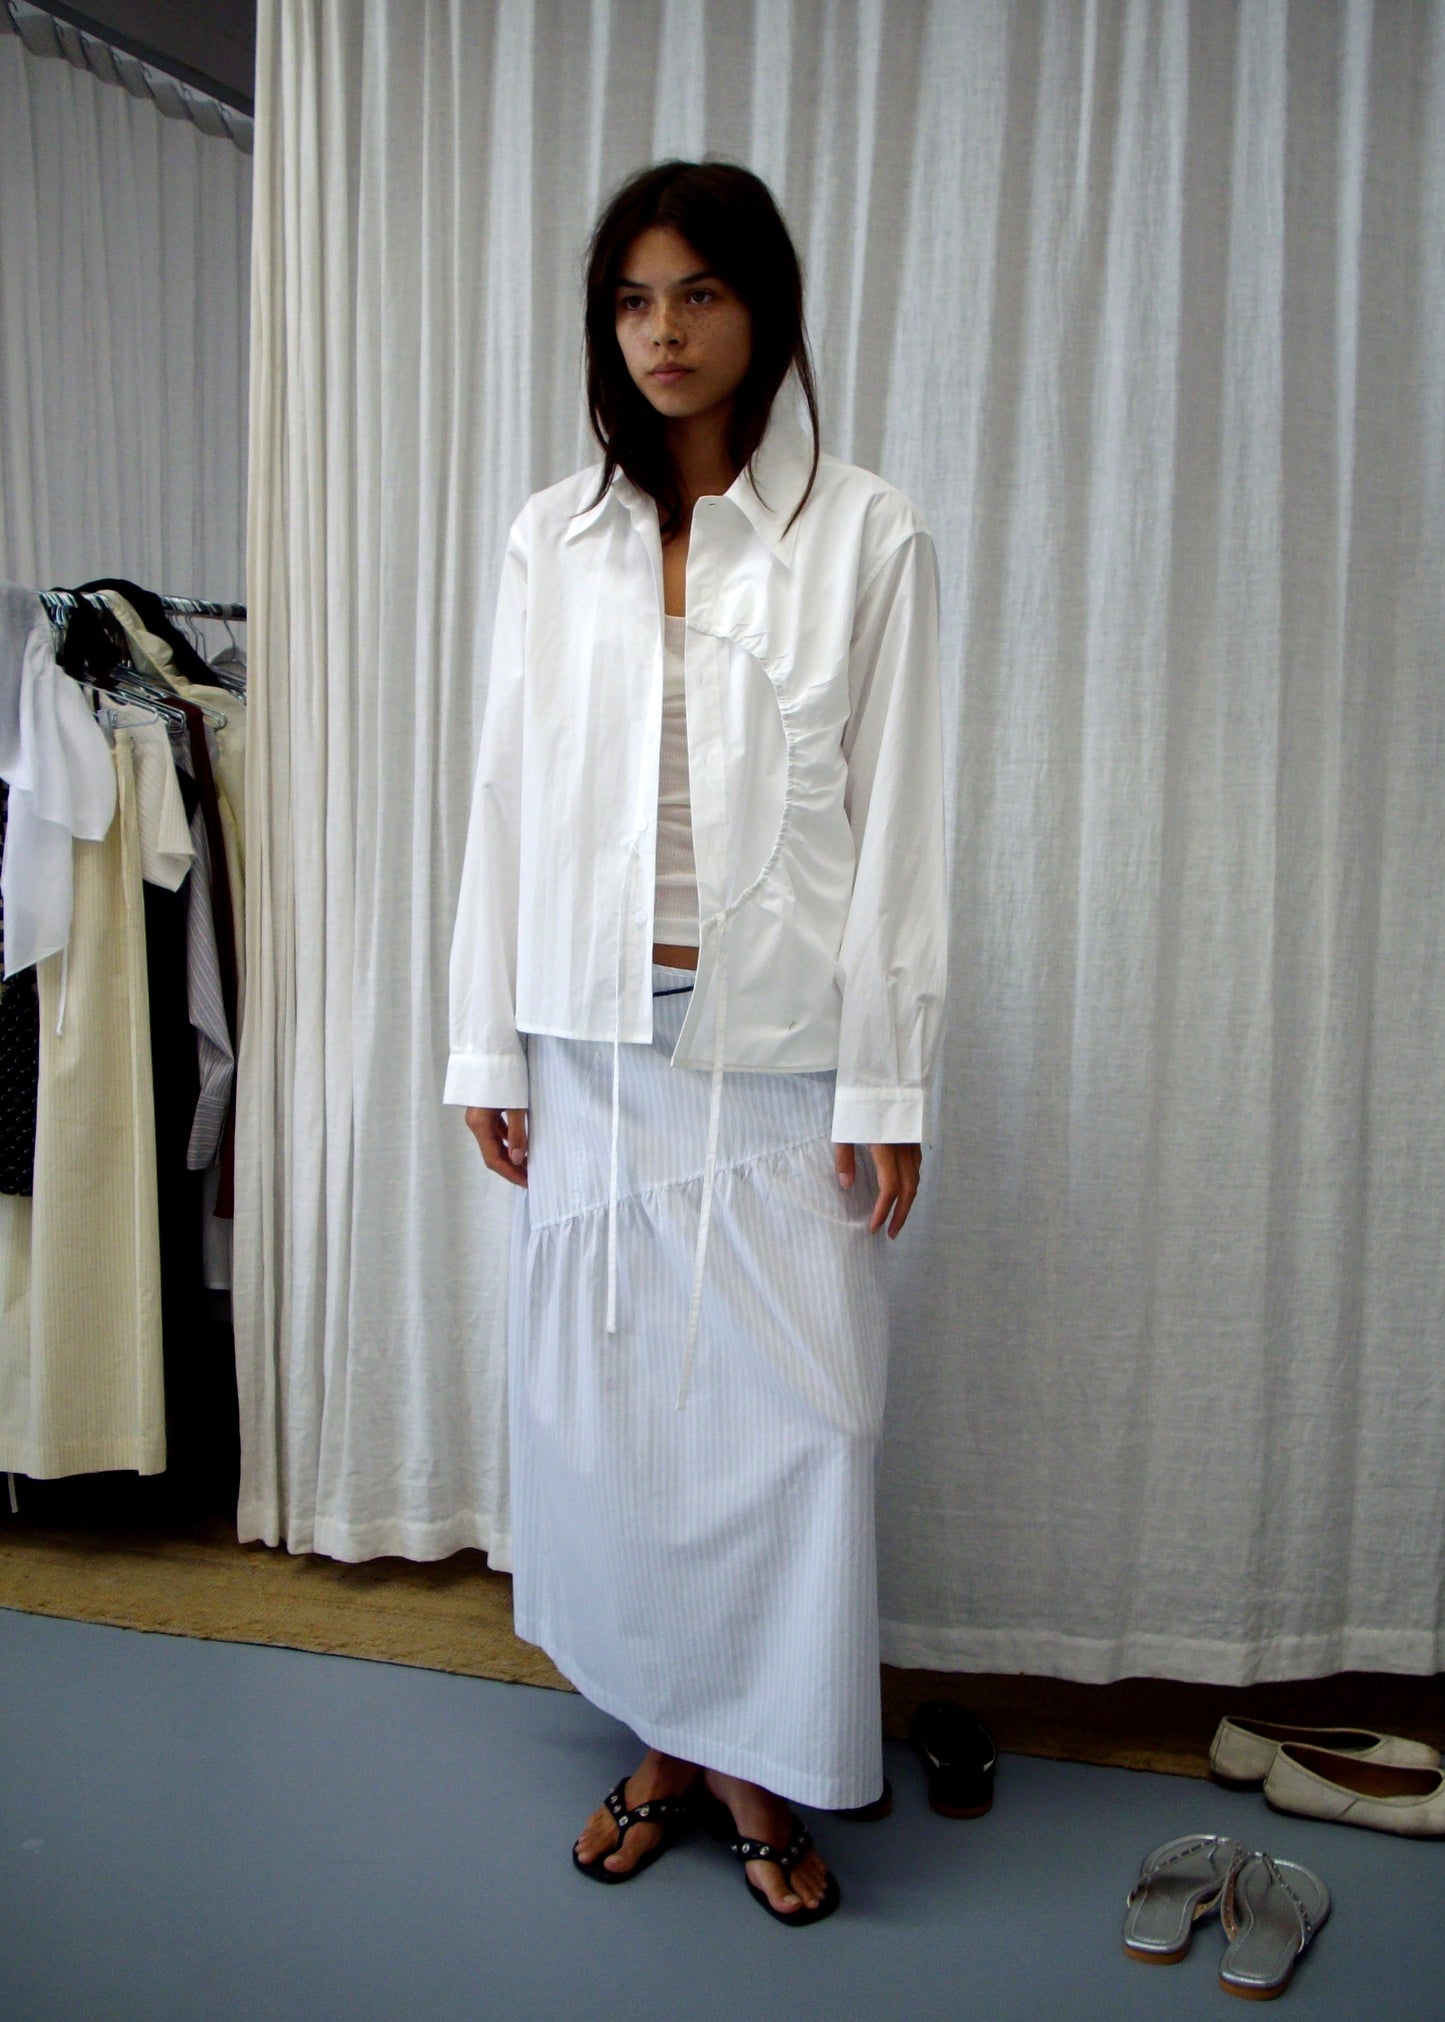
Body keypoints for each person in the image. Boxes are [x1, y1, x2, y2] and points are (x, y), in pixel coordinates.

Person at [446, 159, 946, 1925]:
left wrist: (889, 1081)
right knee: (610, 1429)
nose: (662, 333)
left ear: (761, 311)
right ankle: (683, 1753)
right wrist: (485, 1051)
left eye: (699, 296)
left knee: (800, 1425)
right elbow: (503, 799)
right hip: (588, 1042)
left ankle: (730, 1752)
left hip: (781, 1049)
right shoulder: (549, 535)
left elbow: (903, 829)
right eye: (633, 300)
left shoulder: (861, 532)